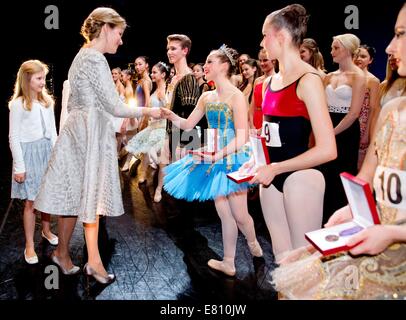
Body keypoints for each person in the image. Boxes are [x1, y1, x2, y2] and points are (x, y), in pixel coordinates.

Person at [271, 3, 406, 300]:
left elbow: (355, 114)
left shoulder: (366, 82)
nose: (389, 45)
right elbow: (368, 177)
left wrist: (393, 233)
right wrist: (351, 210)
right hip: (375, 242)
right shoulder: (393, 110)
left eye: (401, 34)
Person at [34, 7, 160, 281]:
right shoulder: (94, 59)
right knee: (89, 194)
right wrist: (149, 112)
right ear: (106, 28)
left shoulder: (83, 56)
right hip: (86, 135)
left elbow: (79, 103)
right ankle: (93, 262)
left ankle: (63, 254)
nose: (121, 40)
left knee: (74, 198)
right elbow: (115, 105)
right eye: (119, 33)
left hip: (81, 132)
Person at [243, 4, 337, 263]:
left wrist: (278, 167)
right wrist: (258, 160)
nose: (262, 42)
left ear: (281, 38)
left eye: (265, 35)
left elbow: (328, 149)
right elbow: (271, 133)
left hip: (301, 179)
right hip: (272, 178)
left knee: (304, 265)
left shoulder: (309, 80)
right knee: (282, 260)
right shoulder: (268, 82)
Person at [161, 45, 263, 276]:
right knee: (223, 212)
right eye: (205, 62)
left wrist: (218, 154)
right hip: (214, 155)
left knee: (239, 214)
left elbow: (242, 135)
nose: (204, 66)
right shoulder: (207, 96)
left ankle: (253, 243)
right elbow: (188, 125)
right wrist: (171, 115)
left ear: (224, 66)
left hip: (233, 157)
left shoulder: (236, 96)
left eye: (210, 62)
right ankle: (229, 262)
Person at [8, 59, 59, 264]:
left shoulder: (47, 102)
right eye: (38, 78)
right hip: (29, 156)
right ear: (27, 80)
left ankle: (46, 230)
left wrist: (56, 155)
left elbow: (53, 132)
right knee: (31, 202)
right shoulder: (18, 105)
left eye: (43, 78)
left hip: (46, 151)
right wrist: (19, 166)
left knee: (45, 196)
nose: (42, 82)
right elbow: (14, 137)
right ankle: (29, 244)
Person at [322, 33, 366, 221]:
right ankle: (323, 220)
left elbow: (354, 113)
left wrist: (331, 133)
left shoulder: (358, 76)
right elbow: (322, 107)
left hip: (346, 131)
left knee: (342, 175)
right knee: (326, 174)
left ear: (347, 50)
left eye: (335, 48)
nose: (331, 51)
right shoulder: (329, 76)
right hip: (327, 125)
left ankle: (341, 222)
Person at [125, 62, 169, 201]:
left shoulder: (164, 91)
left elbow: (168, 111)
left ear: (163, 75)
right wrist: (144, 121)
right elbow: (149, 108)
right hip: (152, 126)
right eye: (152, 72)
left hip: (161, 128)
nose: (152, 74)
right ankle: (143, 174)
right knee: (144, 151)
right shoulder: (155, 90)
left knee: (160, 157)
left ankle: (159, 188)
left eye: (155, 72)